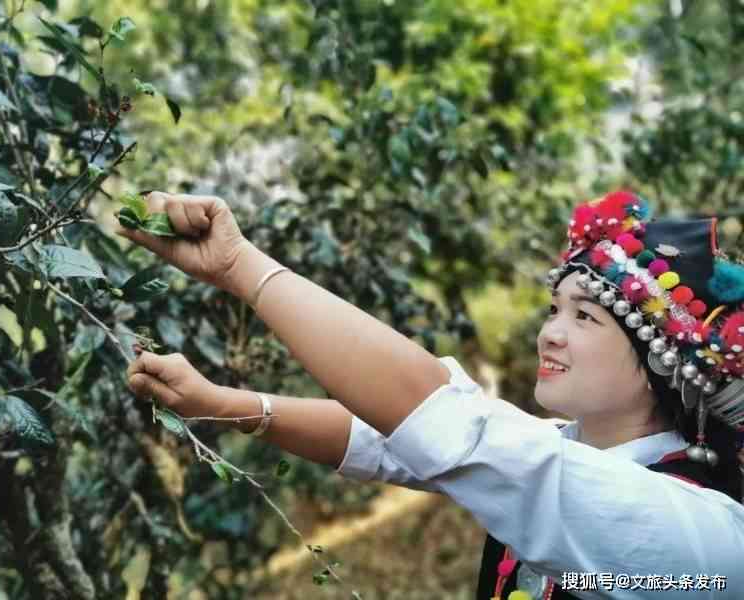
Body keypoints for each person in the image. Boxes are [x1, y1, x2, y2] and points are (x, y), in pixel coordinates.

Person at [117, 189, 744, 599]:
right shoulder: (568, 450)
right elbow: (384, 438)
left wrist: (240, 269)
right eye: (554, 308)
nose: (549, 333)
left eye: (586, 318)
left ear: (666, 360)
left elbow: (451, 425)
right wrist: (221, 403)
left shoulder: (703, 537)